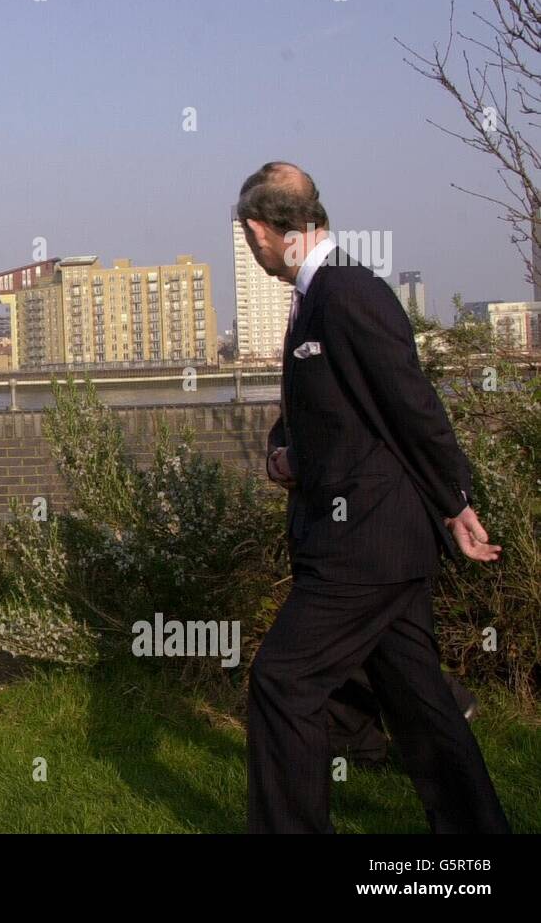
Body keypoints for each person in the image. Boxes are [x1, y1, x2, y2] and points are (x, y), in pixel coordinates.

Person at [237, 161, 510, 834]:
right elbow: (334, 411)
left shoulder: (349, 293)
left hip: (362, 543)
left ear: (257, 231)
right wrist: (285, 452)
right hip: (375, 539)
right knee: (419, 702)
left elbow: (411, 403)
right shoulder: (320, 296)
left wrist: (458, 501)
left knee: (283, 682)